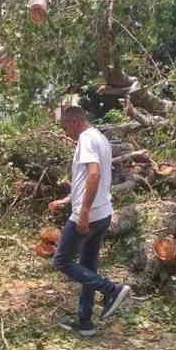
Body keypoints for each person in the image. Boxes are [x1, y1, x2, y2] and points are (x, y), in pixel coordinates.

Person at [48, 106, 131, 337]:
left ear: (75, 121)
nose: (65, 133)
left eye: (65, 127)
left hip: (89, 215)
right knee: (87, 266)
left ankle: (111, 290)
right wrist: (67, 200)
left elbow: (94, 174)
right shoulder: (100, 137)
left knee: (62, 260)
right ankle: (85, 322)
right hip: (103, 212)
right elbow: (90, 178)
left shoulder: (86, 138)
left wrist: (83, 211)